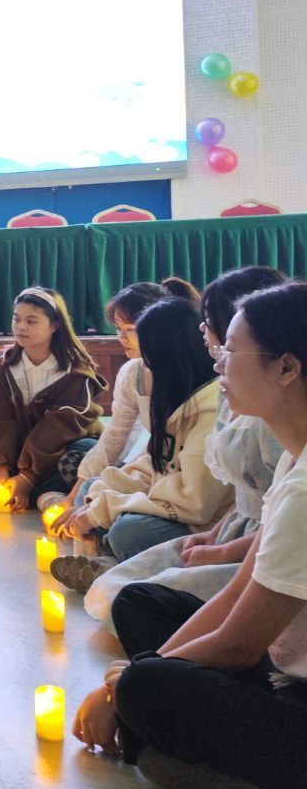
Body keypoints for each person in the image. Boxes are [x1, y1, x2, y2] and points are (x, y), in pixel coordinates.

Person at [71, 281, 307, 789]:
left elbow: (239, 644)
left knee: (148, 694)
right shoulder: (295, 459)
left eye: (231, 351)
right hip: (280, 663)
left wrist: (124, 687)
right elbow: (238, 593)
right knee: (144, 607)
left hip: (294, 688)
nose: (218, 362)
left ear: (287, 368)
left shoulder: (305, 490)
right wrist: (139, 673)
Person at [83, 266, 288, 627]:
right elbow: (155, 458)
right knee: (117, 586)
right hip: (231, 529)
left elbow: (275, 523)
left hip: (257, 544)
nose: (203, 332)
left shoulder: (270, 421)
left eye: (212, 327)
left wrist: (221, 548)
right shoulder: (231, 393)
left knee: (130, 573)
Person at [48, 296, 229, 591]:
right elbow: (154, 461)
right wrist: (101, 495)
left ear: (173, 360)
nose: (146, 369)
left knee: (129, 533)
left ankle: (111, 562)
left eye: (150, 362)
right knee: (91, 488)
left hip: (201, 522)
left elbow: (195, 504)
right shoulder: (176, 394)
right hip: (166, 498)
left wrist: (103, 510)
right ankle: (107, 560)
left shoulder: (211, 410)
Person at [45, 278, 199, 511]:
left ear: (157, 326)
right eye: (119, 328)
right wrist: (75, 496)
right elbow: (116, 435)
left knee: (119, 520)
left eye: (130, 330)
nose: (121, 337)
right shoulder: (132, 372)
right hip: (152, 464)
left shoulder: (187, 372)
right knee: (82, 471)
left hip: (186, 475)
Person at [0, 286, 104, 511]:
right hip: (23, 452)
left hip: (59, 448)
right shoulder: (3, 366)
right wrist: (1, 470)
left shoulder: (75, 371)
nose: (21, 327)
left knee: (85, 454)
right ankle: (41, 495)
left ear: (54, 325)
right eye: (17, 319)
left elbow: (58, 429)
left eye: (31, 321)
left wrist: (27, 477)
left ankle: (12, 492)